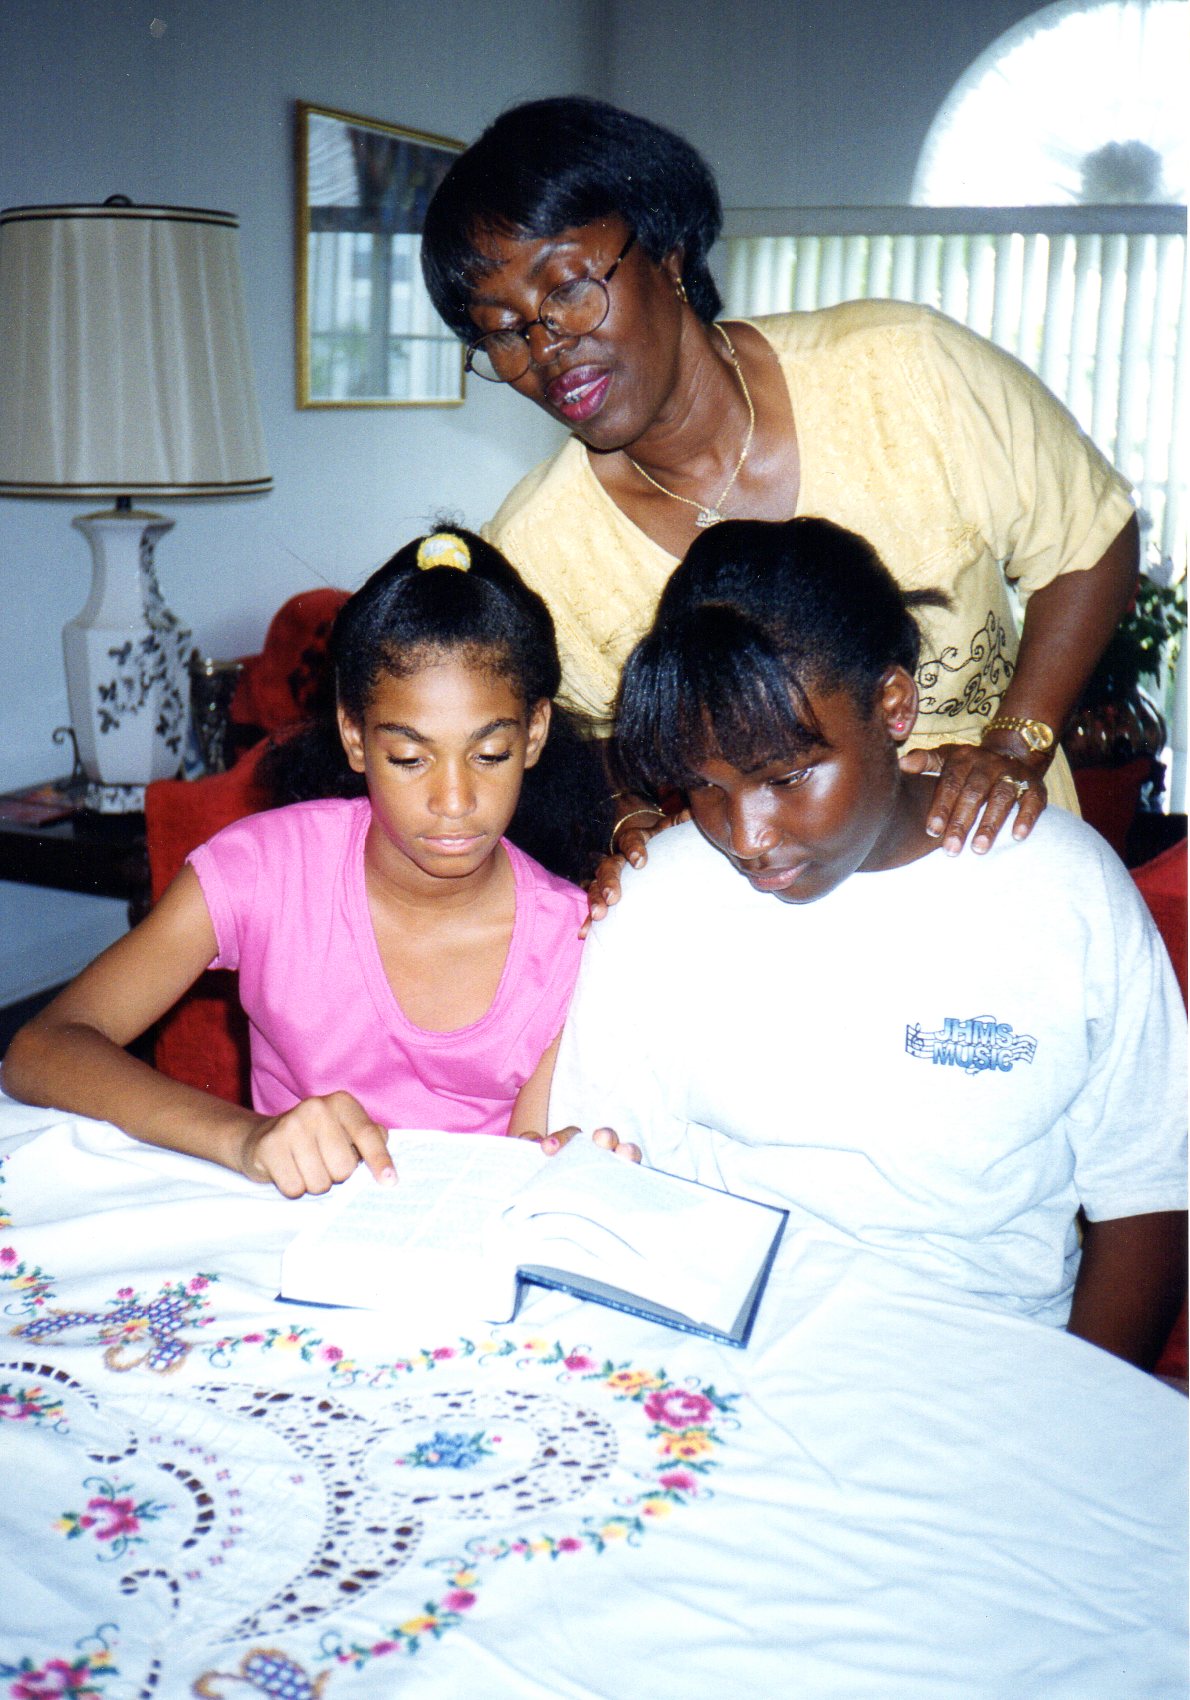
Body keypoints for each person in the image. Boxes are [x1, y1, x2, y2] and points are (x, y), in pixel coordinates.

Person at [421, 95, 1139, 877]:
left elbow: (1089, 540)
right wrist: (625, 812)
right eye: (501, 329)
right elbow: (575, 739)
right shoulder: (540, 551)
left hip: (1006, 869)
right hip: (775, 920)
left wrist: (1014, 745)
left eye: (565, 288)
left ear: (666, 252)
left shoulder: (903, 371)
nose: (545, 346)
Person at [548, 517, 1186, 1369]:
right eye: (704, 784)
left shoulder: (1059, 889)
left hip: (998, 1364)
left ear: (892, 705)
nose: (747, 834)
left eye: (785, 778)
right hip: (725, 1358)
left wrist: (1092, 1407)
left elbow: (1147, 1191)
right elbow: (604, 1176)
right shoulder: (654, 897)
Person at [3, 529, 620, 1198]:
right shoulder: (264, 871)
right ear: (354, 734)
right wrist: (246, 1137)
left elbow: (530, 1159)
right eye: (410, 758)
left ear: (533, 733)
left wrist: (567, 1162)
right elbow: (41, 1049)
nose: (454, 801)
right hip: (276, 1241)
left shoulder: (574, 937)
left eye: (489, 755)